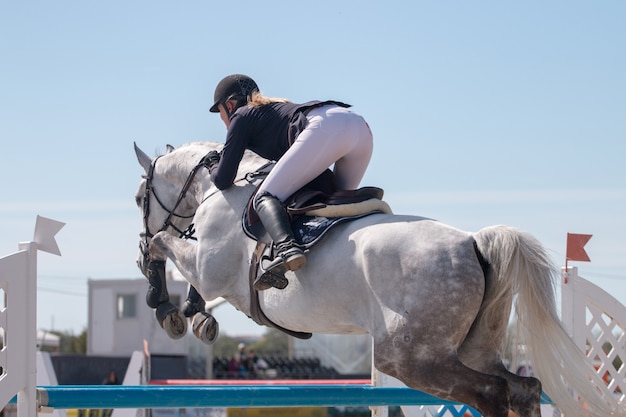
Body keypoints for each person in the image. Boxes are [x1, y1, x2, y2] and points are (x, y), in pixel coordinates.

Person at [207, 74, 374, 291]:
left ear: (229, 105)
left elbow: (222, 179)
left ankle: (288, 249)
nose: (222, 118)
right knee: (337, 206)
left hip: (326, 127)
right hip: (360, 128)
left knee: (264, 197)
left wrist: (212, 164)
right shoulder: (271, 110)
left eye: (220, 112)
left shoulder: (241, 115)